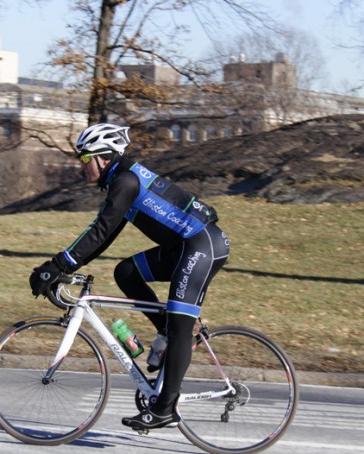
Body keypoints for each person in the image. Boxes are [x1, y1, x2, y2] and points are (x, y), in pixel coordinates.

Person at [29, 123, 230, 430]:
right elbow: (104, 236)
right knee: (126, 272)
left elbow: (100, 231)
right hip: (185, 246)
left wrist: (57, 265)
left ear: (105, 158)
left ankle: (165, 409)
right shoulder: (123, 180)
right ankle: (166, 332)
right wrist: (64, 266)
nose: (82, 167)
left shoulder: (125, 181)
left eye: (85, 160)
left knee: (179, 327)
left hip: (201, 246)